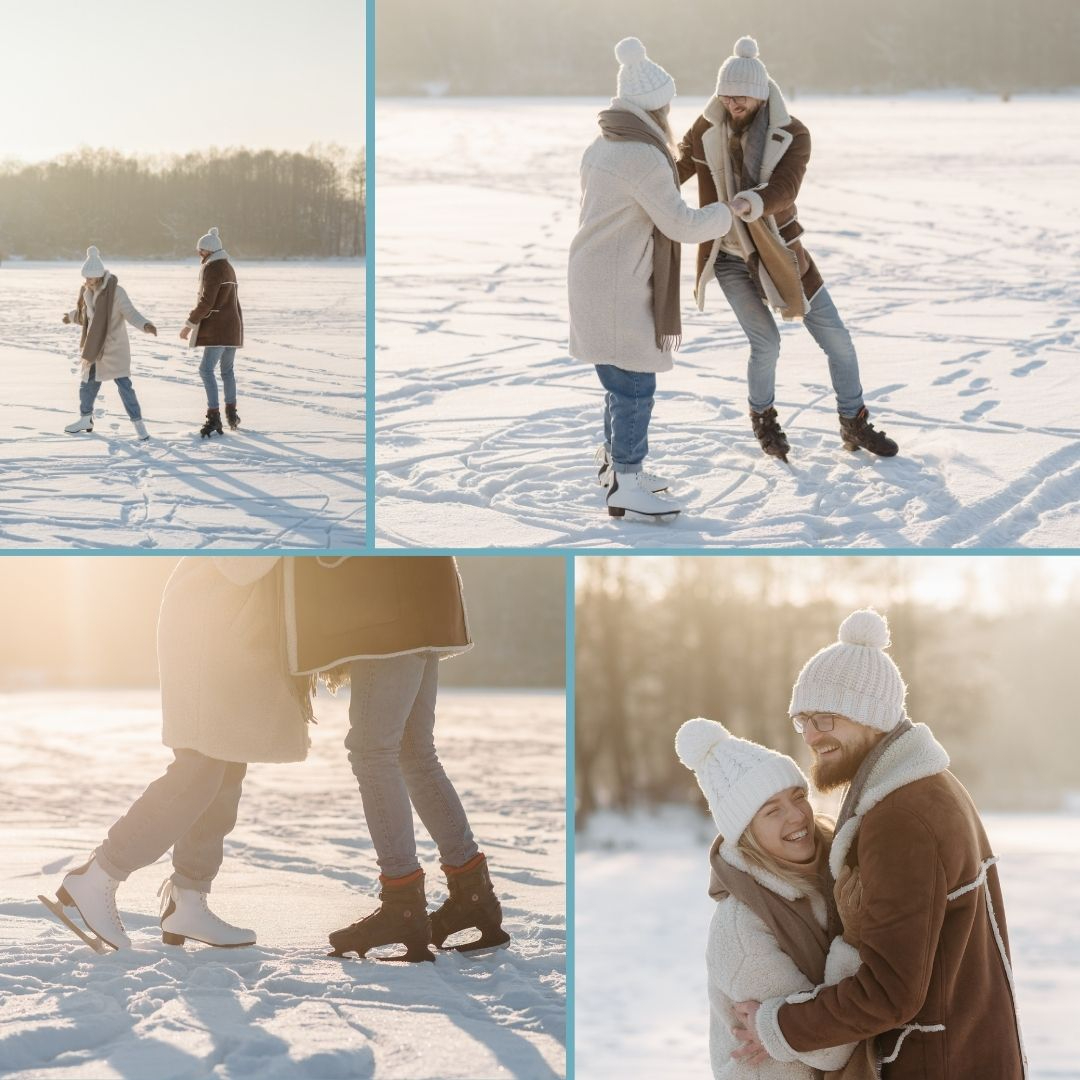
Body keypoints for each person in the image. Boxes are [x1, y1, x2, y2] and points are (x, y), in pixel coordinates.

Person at [732, 609, 1027, 1079]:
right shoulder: (924, 786)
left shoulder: (902, 818)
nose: (810, 735)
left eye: (825, 718)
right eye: (802, 720)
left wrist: (781, 1025)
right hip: (965, 1053)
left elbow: (890, 991)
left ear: (872, 717)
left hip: (936, 1064)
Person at [39, 557, 311, 951]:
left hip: (238, 632)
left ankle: (189, 899)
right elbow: (243, 560)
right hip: (210, 629)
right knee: (199, 770)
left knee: (226, 768)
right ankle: (98, 875)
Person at [274, 556, 511, 963]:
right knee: (414, 752)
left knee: (373, 752)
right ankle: (473, 897)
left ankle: (402, 905)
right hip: (424, 598)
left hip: (385, 610)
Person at [675, 38, 898, 462]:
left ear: (760, 94)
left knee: (838, 342)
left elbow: (785, 187)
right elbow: (676, 168)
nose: (731, 102)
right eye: (725, 93)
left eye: (740, 95)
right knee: (766, 343)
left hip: (781, 252)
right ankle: (764, 419)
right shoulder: (706, 128)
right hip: (728, 257)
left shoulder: (792, 133)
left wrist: (750, 202)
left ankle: (854, 422)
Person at [568, 37, 733, 521]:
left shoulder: (604, 144)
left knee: (618, 381)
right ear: (654, 107)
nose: (669, 113)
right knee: (634, 386)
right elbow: (678, 223)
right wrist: (725, 213)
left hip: (597, 277)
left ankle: (615, 468)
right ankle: (627, 478)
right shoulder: (641, 155)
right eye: (666, 104)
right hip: (617, 285)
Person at [675, 717, 875, 1079]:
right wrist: (854, 938)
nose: (798, 816)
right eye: (773, 810)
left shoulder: (836, 873)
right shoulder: (741, 927)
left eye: (798, 797)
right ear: (746, 833)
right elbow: (830, 1046)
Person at [61, 245, 156, 441]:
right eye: (84, 277)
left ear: (99, 275)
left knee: (124, 386)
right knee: (87, 384)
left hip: (113, 347)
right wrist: (70, 317)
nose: (86, 281)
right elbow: (86, 317)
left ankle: (139, 425)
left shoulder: (116, 292)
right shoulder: (86, 291)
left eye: (90, 278)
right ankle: (85, 419)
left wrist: (145, 325)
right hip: (95, 347)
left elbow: (130, 313)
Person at [180, 226, 243, 438]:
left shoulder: (213, 268)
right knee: (227, 371)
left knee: (206, 370)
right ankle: (232, 414)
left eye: (202, 250)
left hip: (218, 328)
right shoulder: (229, 267)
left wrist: (189, 324)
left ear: (210, 251)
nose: (199, 253)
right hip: (232, 328)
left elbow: (207, 302)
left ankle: (214, 415)